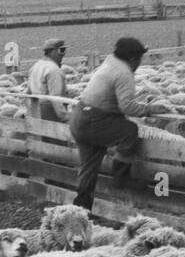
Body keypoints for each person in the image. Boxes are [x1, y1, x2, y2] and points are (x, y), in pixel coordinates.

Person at [68, 36, 172, 210]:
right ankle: (121, 175)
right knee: (130, 131)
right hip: (94, 120)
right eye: (140, 58)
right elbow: (127, 106)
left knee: (88, 169)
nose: (140, 62)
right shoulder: (124, 72)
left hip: (79, 118)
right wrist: (149, 109)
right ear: (133, 58)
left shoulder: (110, 62)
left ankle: (81, 210)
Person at [27, 37, 69, 122]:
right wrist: (64, 116)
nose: (63, 54)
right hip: (50, 112)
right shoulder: (53, 69)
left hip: (36, 111)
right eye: (61, 50)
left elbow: (29, 91)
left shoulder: (35, 66)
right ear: (52, 52)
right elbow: (55, 97)